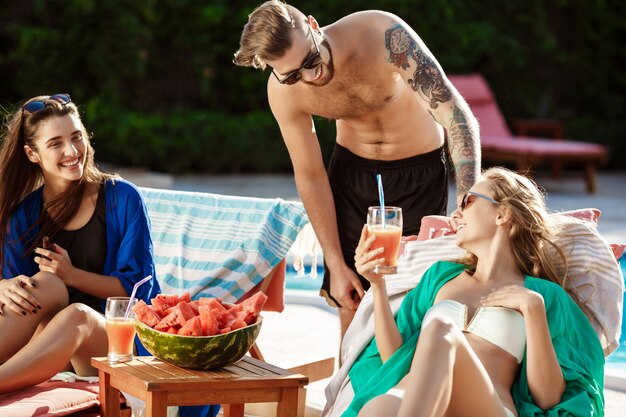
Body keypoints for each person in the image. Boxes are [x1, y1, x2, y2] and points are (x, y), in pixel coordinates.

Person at [233, 1, 481, 336]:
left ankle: (411, 386)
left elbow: (457, 119)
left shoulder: (382, 35)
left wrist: (469, 207)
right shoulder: (283, 94)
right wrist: (334, 262)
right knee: (352, 302)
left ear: (313, 24)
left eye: (310, 60)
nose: (311, 75)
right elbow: (309, 173)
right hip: (352, 176)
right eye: (293, 75)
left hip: (419, 173)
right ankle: (352, 389)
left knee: (415, 298)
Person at [344, 167, 604, 417]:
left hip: (484, 407)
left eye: (467, 202)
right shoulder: (438, 276)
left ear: (502, 214)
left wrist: (533, 309)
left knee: (441, 329)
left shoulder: (542, 295)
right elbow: (394, 360)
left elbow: (548, 397)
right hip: (409, 395)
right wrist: (377, 285)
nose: (455, 215)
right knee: (377, 408)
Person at [0, 94, 161, 394]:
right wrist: (4, 286)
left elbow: (135, 291)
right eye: (55, 143)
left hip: (116, 347)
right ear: (32, 154)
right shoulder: (23, 216)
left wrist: (72, 275)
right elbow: (16, 298)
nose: (72, 151)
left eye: (76, 137)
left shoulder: (122, 198)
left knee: (78, 315)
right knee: (47, 284)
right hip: (45, 350)